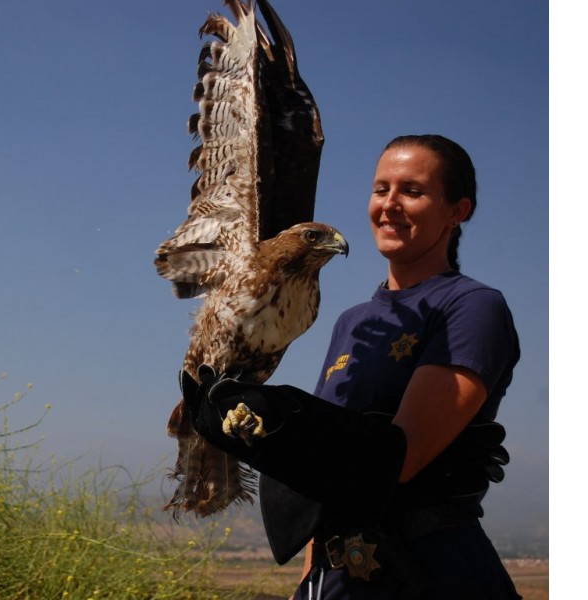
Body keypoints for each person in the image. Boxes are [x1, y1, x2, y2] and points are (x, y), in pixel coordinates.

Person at [181, 134, 521, 599]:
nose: (390, 204)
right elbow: (327, 486)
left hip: (425, 571)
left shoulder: (471, 306)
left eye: (413, 191)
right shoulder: (352, 321)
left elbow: (400, 458)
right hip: (337, 574)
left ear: (457, 212)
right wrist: (309, 581)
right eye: (381, 189)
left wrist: (288, 418)